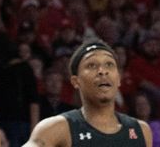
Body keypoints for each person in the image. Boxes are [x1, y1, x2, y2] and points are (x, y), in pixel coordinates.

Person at [24, 41, 152, 147]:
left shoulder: (141, 130)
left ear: (118, 78)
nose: (102, 71)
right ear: (76, 81)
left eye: (109, 64)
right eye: (91, 65)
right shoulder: (56, 128)